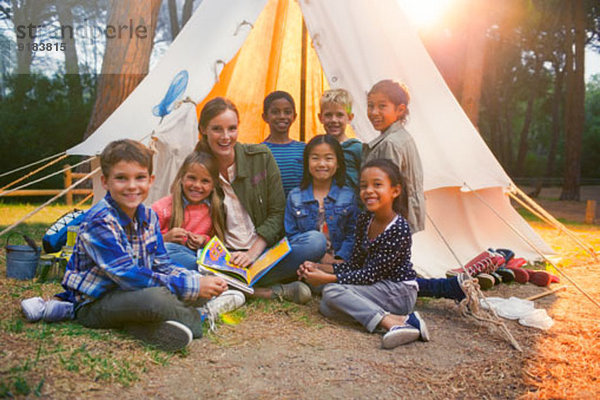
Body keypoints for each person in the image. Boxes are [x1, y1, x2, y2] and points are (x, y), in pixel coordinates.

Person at [58, 139, 243, 352]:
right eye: (121, 178)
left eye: (140, 178)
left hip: (133, 295)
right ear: (105, 182)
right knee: (157, 298)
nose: (132, 186)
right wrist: (189, 287)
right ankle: (202, 316)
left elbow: (163, 264)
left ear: (151, 180)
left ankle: (146, 329)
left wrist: (196, 280)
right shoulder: (100, 221)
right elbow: (128, 275)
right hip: (97, 303)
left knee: (178, 287)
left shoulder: (148, 217)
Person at [194, 97, 325, 304]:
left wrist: (253, 253)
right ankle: (264, 291)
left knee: (316, 241)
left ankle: (230, 284)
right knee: (175, 254)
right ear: (203, 129)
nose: (225, 137)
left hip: (263, 252)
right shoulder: (197, 167)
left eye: (232, 128)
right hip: (223, 257)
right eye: (217, 129)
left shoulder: (261, 157)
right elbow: (187, 211)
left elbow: (277, 211)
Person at [298, 159, 429, 349]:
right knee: (327, 306)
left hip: (399, 292)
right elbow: (356, 265)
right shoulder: (365, 220)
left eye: (377, 185)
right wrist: (318, 267)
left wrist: (327, 278)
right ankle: (405, 321)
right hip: (377, 287)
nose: (368, 191)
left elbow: (370, 275)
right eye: (363, 186)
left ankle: (392, 323)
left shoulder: (399, 228)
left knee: (332, 292)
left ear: (395, 191)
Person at [285, 134, 358, 266]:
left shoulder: (348, 196)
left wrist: (338, 259)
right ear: (307, 162)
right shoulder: (295, 196)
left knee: (328, 286)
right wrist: (319, 255)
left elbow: (353, 234)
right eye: (315, 158)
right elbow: (291, 235)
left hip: (338, 262)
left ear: (338, 164)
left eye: (328, 158)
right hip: (304, 261)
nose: (321, 164)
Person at [362, 79, 425, 234]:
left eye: (382, 106)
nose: (374, 112)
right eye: (370, 106)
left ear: (400, 110)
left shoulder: (390, 144)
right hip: (406, 217)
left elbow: (386, 193)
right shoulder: (402, 137)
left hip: (393, 220)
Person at [151, 151, 225, 270]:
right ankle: (206, 271)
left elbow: (217, 243)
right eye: (192, 178)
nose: (197, 185)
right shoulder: (162, 208)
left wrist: (203, 241)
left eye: (205, 181)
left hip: (197, 256)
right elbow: (145, 242)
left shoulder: (214, 209)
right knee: (168, 249)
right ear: (182, 178)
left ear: (213, 185)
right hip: (172, 255)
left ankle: (203, 271)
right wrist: (165, 237)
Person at [261, 90, 305, 197]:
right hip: (271, 210)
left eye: (287, 112)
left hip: (300, 210)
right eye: (275, 112)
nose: (282, 116)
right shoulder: (259, 151)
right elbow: (255, 182)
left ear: (294, 116)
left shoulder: (304, 149)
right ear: (265, 117)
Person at [318, 88, 362, 195]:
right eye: (328, 115)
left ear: (349, 118)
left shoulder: (357, 149)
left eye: (339, 115)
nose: (334, 120)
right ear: (320, 118)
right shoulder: (317, 148)